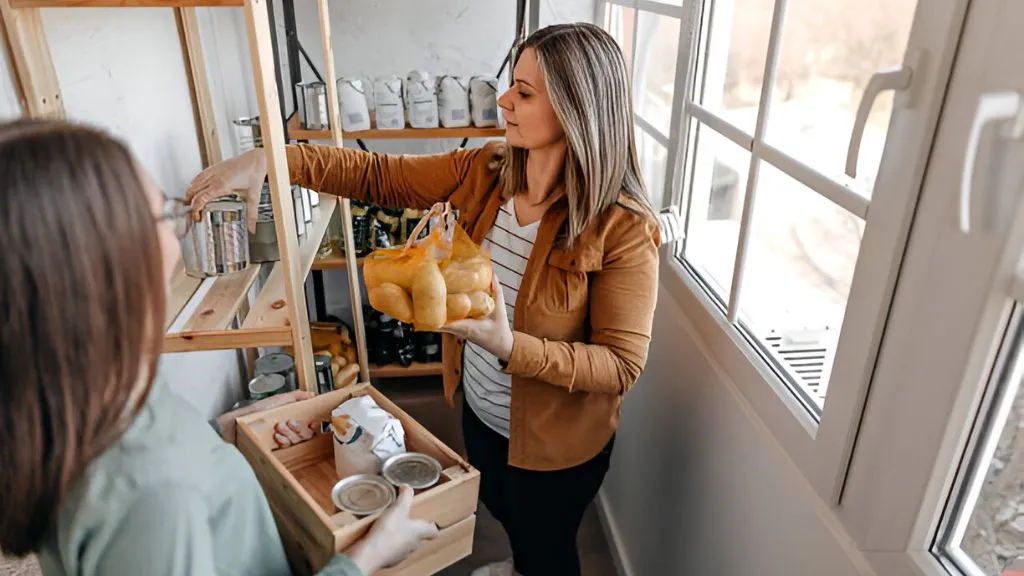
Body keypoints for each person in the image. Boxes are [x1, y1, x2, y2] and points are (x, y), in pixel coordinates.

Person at [188, 23, 660, 576]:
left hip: (556, 448)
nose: (504, 99)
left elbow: (621, 364)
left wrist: (510, 345)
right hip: (480, 410)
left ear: (578, 111)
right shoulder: (485, 170)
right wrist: (274, 159)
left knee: (548, 545)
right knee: (506, 514)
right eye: (512, 83)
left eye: (525, 94)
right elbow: (376, 173)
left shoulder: (624, 229)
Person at [0, 119, 439, 576]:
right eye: (166, 215)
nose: (178, 233)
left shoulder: (83, 385)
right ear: (104, 264)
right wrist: (364, 558)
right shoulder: (154, 496)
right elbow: (147, 486)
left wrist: (223, 435)